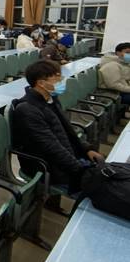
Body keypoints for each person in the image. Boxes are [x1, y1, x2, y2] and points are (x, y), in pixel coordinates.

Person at [12, 60, 104, 193]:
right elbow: (51, 147)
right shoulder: (27, 110)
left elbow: (66, 131)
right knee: (103, 192)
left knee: (110, 176)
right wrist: (80, 170)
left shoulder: (50, 100)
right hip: (48, 167)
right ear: (41, 83)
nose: (61, 81)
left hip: (66, 161)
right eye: (57, 78)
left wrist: (86, 149)